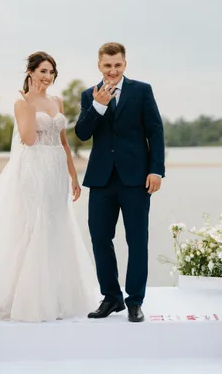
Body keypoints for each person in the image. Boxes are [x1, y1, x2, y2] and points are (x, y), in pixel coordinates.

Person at [0, 51, 97, 322]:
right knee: (35, 224)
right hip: (34, 169)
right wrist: (29, 104)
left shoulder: (57, 100)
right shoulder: (22, 103)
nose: (47, 77)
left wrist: (73, 176)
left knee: (57, 224)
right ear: (31, 72)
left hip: (57, 169)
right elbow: (28, 139)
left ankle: (56, 295)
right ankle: (29, 299)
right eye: (43, 71)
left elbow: (64, 142)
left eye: (51, 72)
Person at [75, 42, 165, 322]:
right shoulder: (89, 95)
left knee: (137, 240)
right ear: (99, 66)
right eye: (107, 66)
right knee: (100, 239)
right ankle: (111, 298)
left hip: (137, 179)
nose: (112, 71)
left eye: (117, 65)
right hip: (101, 179)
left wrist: (156, 170)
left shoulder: (142, 91)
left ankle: (135, 300)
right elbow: (82, 133)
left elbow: (155, 131)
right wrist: (98, 106)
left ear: (124, 64)